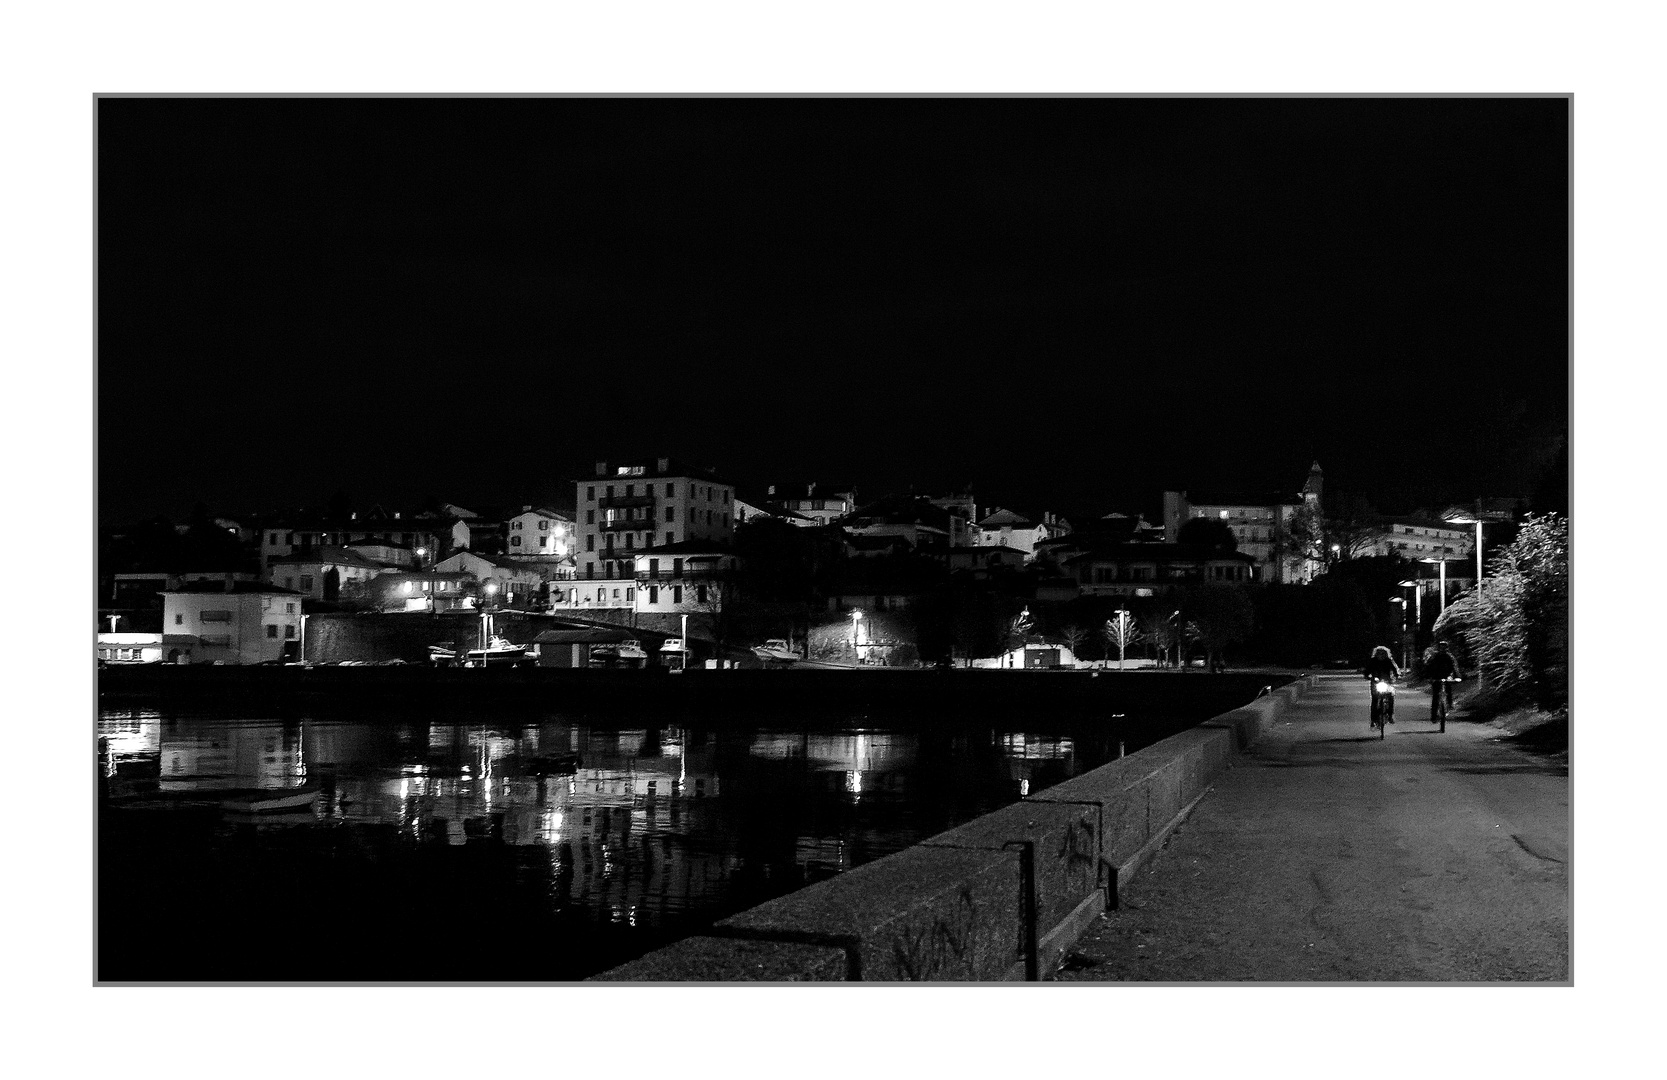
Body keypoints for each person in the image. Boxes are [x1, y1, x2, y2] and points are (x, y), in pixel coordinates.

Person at [1423, 640, 1462, 719]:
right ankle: (1434, 715)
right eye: (1441, 647)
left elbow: (1454, 667)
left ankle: (1450, 704)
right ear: (1439, 647)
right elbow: (1428, 667)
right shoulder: (1434, 656)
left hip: (1447, 676)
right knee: (1436, 696)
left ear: (1447, 648)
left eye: (1444, 647)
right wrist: (1429, 677)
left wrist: (1457, 676)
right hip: (1436, 677)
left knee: (1448, 690)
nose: (1442, 648)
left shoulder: (1450, 657)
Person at [1365, 645, 1401, 724]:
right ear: (1376, 654)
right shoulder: (1373, 661)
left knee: (1391, 697)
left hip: (1387, 681)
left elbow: (1394, 669)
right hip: (1375, 682)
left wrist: (1396, 675)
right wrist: (1368, 676)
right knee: (1374, 700)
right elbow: (1367, 670)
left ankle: (1390, 715)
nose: (1381, 655)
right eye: (1379, 653)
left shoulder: (1388, 661)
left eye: (1383, 653)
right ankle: (1373, 720)